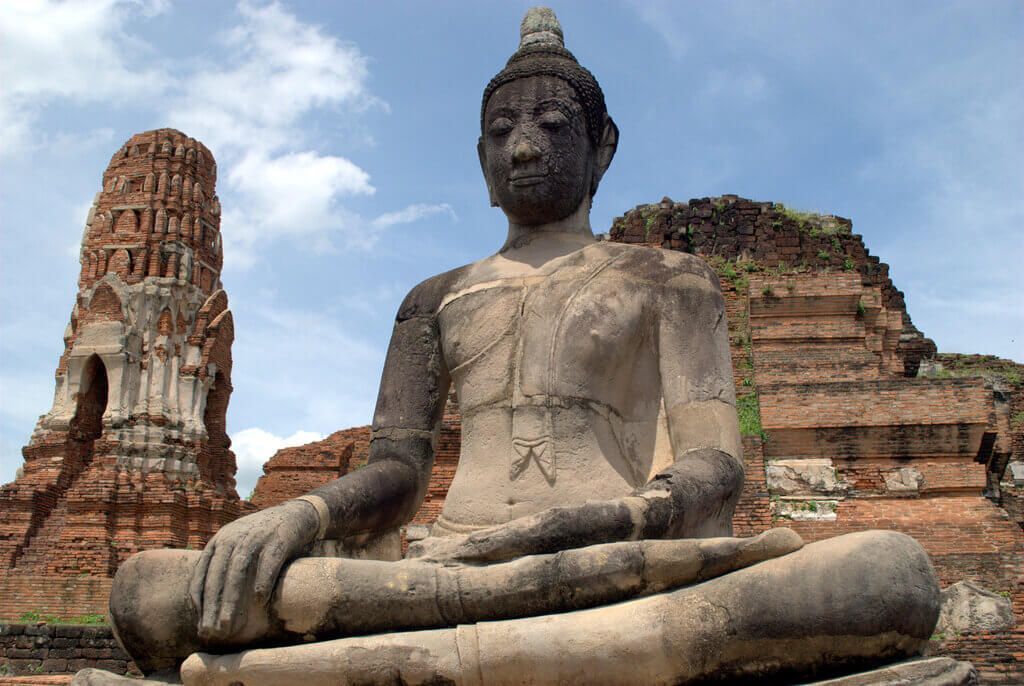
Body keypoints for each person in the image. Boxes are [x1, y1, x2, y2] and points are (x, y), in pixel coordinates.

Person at [75, 9, 942, 685]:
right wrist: (303, 514)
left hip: (618, 555)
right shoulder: (435, 298)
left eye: (553, 125)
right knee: (148, 587)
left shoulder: (669, 278)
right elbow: (398, 477)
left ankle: (352, 666)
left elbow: (714, 466)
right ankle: (566, 652)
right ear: (479, 157)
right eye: (501, 131)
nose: (523, 144)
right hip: (448, 568)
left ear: (603, 147)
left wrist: (599, 523)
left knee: (885, 574)